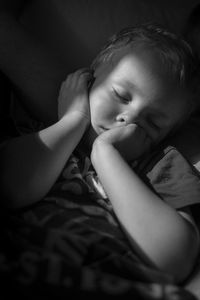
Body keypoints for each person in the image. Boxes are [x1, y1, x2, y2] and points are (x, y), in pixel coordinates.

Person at [0, 5, 200, 285]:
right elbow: (8, 187)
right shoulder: (42, 132)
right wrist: (72, 120)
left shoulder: (160, 165)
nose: (129, 118)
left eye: (153, 123)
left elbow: (174, 260)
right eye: (121, 94)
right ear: (90, 78)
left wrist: (105, 154)